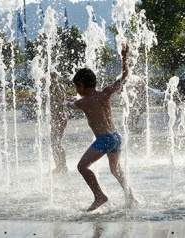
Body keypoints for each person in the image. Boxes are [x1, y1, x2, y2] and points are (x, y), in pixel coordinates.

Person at [64, 44, 136, 212]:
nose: (77, 89)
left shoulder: (82, 102)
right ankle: (131, 197)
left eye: (77, 86)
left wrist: (65, 101)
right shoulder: (105, 93)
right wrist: (124, 57)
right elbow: (125, 77)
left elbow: (72, 105)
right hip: (116, 137)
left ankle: (99, 196)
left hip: (104, 139)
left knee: (82, 167)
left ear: (81, 85)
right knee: (116, 169)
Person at [50, 72, 68, 175]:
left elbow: (53, 102)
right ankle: (61, 165)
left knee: (55, 143)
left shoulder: (52, 87)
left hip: (57, 118)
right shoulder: (61, 86)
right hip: (61, 117)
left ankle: (61, 166)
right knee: (56, 143)